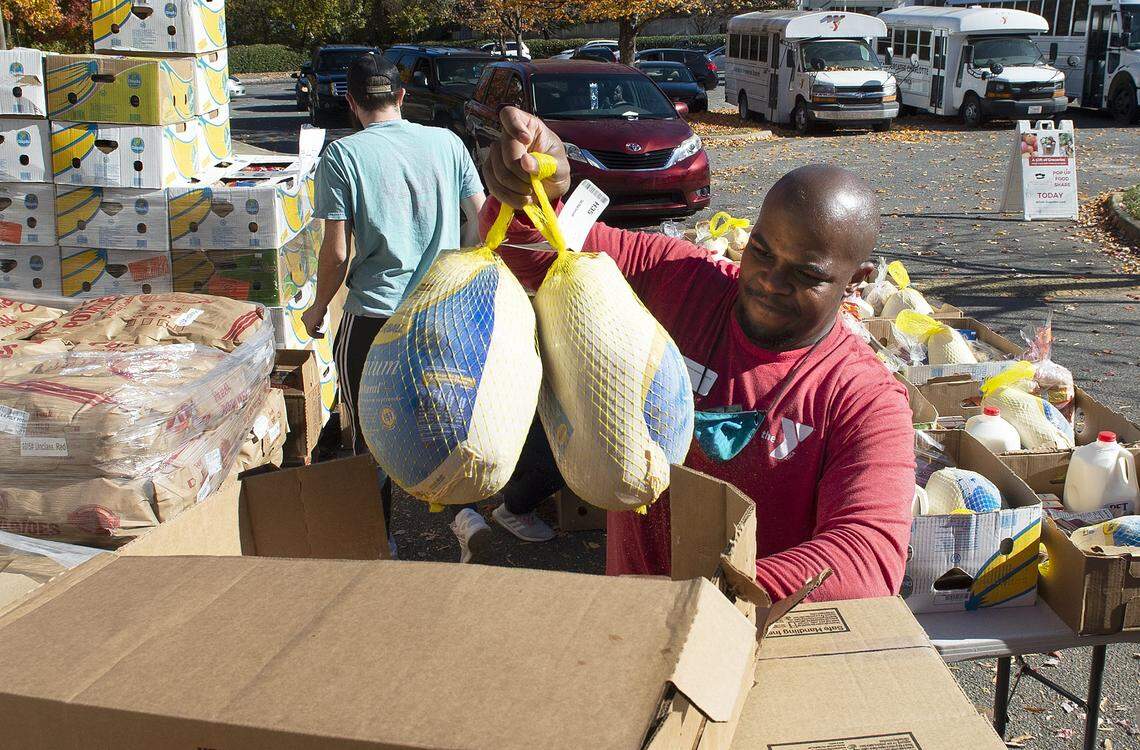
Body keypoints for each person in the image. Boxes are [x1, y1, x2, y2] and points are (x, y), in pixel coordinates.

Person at [478, 106, 916, 601]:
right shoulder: (681, 281)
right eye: (762, 251)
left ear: (856, 280)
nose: (769, 281)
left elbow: (867, 558)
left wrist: (713, 594)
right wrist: (531, 191)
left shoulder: (863, 399)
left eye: (806, 274)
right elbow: (536, 254)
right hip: (629, 614)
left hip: (745, 631)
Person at [303, 51, 491, 562]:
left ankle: (380, 541)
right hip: (440, 312)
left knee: (369, 432)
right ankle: (465, 516)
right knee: (443, 420)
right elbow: (481, 221)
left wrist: (318, 308)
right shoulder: (447, 142)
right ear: (402, 96)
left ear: (351, 102)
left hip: (374, 315)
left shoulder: (342, 156)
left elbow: (336, 254)